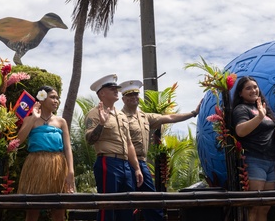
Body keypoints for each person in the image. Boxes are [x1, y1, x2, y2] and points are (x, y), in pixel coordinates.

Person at [118, 80, 201, 221]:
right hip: (125, 162)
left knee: (152, 200)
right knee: (127, 202)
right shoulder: (120, 117)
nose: (133, 97)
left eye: (135, 94)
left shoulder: (144, 117)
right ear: (123, 99)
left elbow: (169, 117)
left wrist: (194, 113)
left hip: (141, 162)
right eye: (129, 95)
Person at [85, 74, 144, 221]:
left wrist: (136, 168)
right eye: (112, 89)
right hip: (108, 163)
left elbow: (129, 143)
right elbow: (89, 139)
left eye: (116, 88)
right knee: (108, 207)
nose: (116, 91)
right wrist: (102, 123)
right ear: (102, 93)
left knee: (127, 207)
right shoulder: (94, 114)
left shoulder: (122, 115)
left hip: (125, 165)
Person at [17, 85, 75, 221]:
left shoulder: (61, 122)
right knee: (32, 211)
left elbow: (67, 148)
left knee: (59, 210)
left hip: (58, 166)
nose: (56, 101)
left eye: (57, 98)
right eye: (52, 97)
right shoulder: (29, 119)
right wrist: (32, 118)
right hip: (35, 165)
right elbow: (19, 140)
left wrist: (70, 171)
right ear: (42, 99)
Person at [231, 76, 275, 221]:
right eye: (248, 88)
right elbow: (240, 131)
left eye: (255, 87)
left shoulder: (263, 108)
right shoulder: (241, 109)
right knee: (253, 206)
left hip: (271, 163)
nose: (253, 90)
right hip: (254, 161)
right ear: (240, 93)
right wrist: (259, 117)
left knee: (265, 207)